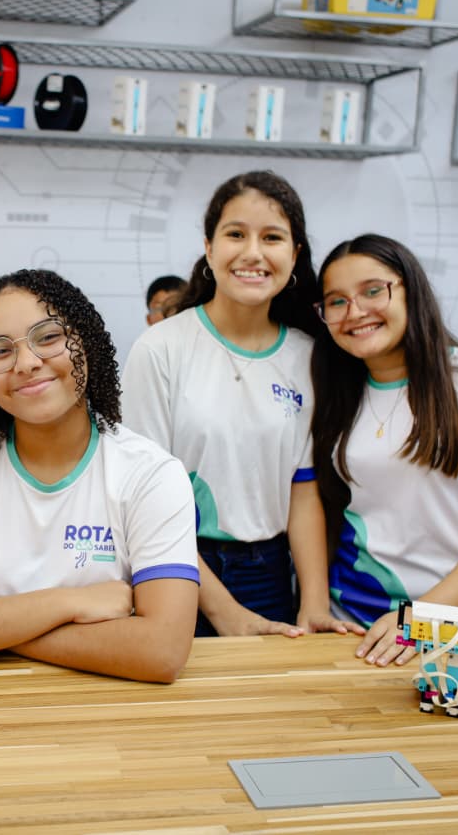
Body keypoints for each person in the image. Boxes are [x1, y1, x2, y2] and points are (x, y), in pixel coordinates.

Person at [0, 269, 200, 683]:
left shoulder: (151, 475)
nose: (27, 363)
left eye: (48, 337)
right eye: (0, 351)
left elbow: (162, 651)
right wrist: (68, 604)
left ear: (86, 342)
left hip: (109, 711)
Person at [121, 170, 358, 638]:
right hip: (173, 566)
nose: (253, 252)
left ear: (295, 254)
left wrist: (313, 602)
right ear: (209, 249)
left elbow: (303, 490)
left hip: (269, 574)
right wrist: (224, 612)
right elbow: (142, 499)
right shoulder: (161, 348)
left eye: (272, 237)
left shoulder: (308, 356)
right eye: (235, 234)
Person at [311, 234, 458, 666]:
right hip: (358, 627)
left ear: (411, 290)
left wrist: (418, 619)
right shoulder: (338, 391)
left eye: (373, 291)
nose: (354, 312)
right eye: (336, 302)